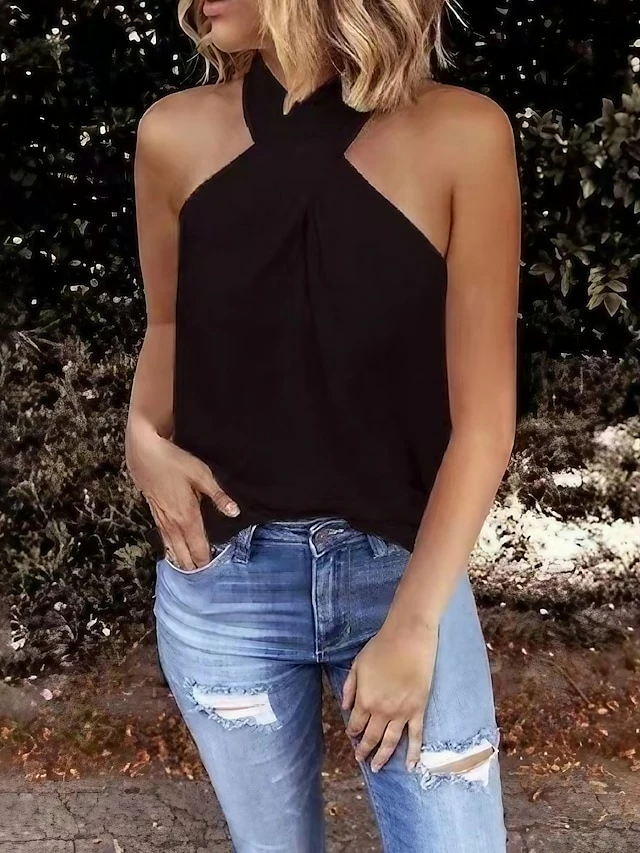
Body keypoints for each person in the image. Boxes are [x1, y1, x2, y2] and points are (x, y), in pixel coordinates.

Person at [124, 0, 521, 849]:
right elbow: (168, 324)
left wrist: (414, 624)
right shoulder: (172, 135)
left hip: (404, 574)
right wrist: (142, 436)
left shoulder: (464, 135)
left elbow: (485, 421)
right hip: (224, 583)